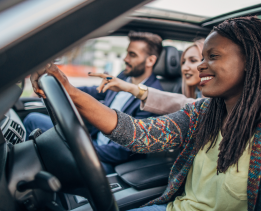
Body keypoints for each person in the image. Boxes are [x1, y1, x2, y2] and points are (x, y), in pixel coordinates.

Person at [30, 16, 261, 211]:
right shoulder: (203, 112)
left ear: (251, 60)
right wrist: (69, 90)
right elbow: (138, 134)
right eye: (200, 57)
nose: (201, 66)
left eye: (213, 56)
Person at [24, 31, 164, 174]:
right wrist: (62, 88)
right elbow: (95, 90)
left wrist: (83, 148)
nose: (125, 59)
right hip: (93, 141)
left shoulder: (153, 98)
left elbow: (123, 152)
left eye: (132, 55)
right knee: (32, 120)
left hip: (108, 161)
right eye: (127, 53)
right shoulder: (124, 76)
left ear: (150, 60)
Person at [89, 39, 205, 115]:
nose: (184, 68)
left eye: (193, 60)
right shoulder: (123, 76)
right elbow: (97, 90)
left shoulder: (212, 103)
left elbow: (178, 103)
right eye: (183, 62)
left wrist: (130, 88)